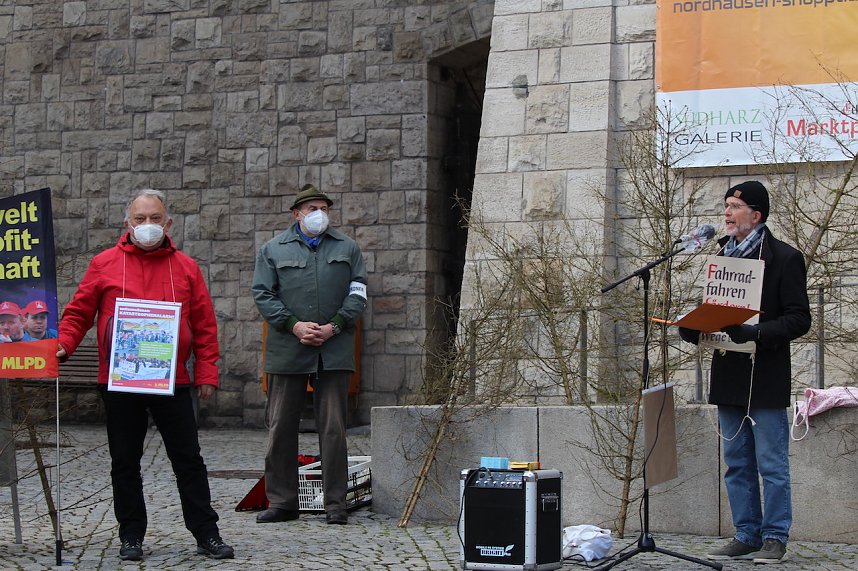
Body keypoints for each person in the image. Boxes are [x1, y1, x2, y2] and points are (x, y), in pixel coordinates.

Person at [56, 189, 234, 562]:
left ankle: (207, 533)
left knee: (188, 460)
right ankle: (131, 535)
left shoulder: (186, 267)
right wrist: (64, 345)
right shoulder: (104, 263)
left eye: (155, 219)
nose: (148, 226)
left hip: (173, 381)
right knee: (125, 461)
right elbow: (78, 313)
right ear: (128, 223)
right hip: (120, 380)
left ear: (168, 224)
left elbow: (204, 325)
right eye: (141, 219)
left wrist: (206, 372)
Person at [678, 181, 811, 564]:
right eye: (726, 206)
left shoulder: (785, 258)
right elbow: (716, 308)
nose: (726, 213)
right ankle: (746, 533)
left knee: (771, 462)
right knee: (736, 461)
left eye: (734, 206)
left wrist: (757, 333)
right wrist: (694, 326)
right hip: (729, 372)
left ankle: (774, 537)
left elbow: (799, 319)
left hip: (766, 371)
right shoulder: (723, 257)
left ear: (756, 214)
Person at [251, 184, 367, 526]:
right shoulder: (272, 249)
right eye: (311, 208)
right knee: (281, 428)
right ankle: (283, 502)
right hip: (288, 349)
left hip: (334, 349)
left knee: (333, 429)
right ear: (296, 214)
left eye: (324, 208)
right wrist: (294, 325)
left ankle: (336, 504)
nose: (319, 213)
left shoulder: (348, 248)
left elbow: (358, 293)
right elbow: (263, 293)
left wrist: (334, 326)